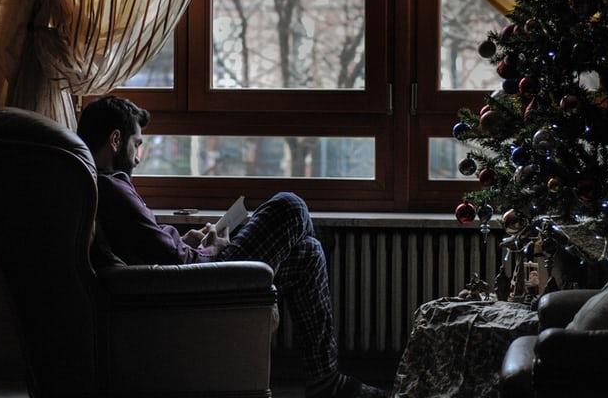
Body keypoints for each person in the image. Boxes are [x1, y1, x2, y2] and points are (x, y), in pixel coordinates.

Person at [77, 96, 388, 398]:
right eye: (137, 144)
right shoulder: (111, 188)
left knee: (308, 254)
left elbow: (152, 246)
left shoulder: (101, 187)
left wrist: (187, 240)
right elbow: (166, 257)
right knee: (289, 206)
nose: (138, 157)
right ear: (116, 139)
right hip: (196, 285)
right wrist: (214, 250)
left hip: (186, 274)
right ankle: (327, 384)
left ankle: (325, 381)